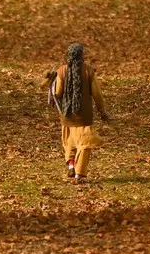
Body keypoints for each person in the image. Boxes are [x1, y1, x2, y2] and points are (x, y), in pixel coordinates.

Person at [47, 43, 110, 183]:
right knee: (84, 144)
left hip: (67, 115)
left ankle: (71, 164)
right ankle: (79, 174)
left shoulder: (62, 71)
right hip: (84, 117)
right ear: (82, 56)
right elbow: (97, 94)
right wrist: (102, 110)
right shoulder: (88, 71)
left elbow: (57, 92)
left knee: (69, 140)